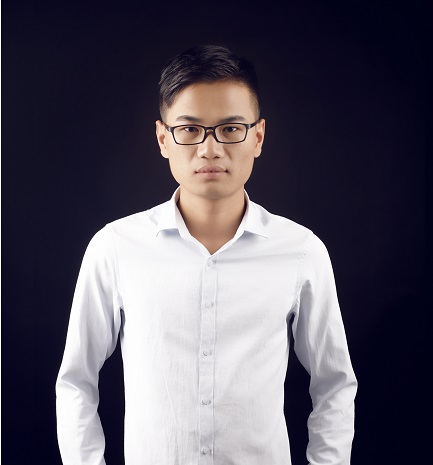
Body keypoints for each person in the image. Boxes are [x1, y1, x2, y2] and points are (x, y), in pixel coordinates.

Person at [56, 44, 357, 465]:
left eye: (231, 128)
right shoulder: (116, 247)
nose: (210, 149)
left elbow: (334, 385)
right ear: (163, 138)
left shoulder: (301, 251)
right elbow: (76, 382)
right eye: (190, 129)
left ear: (258, 136)